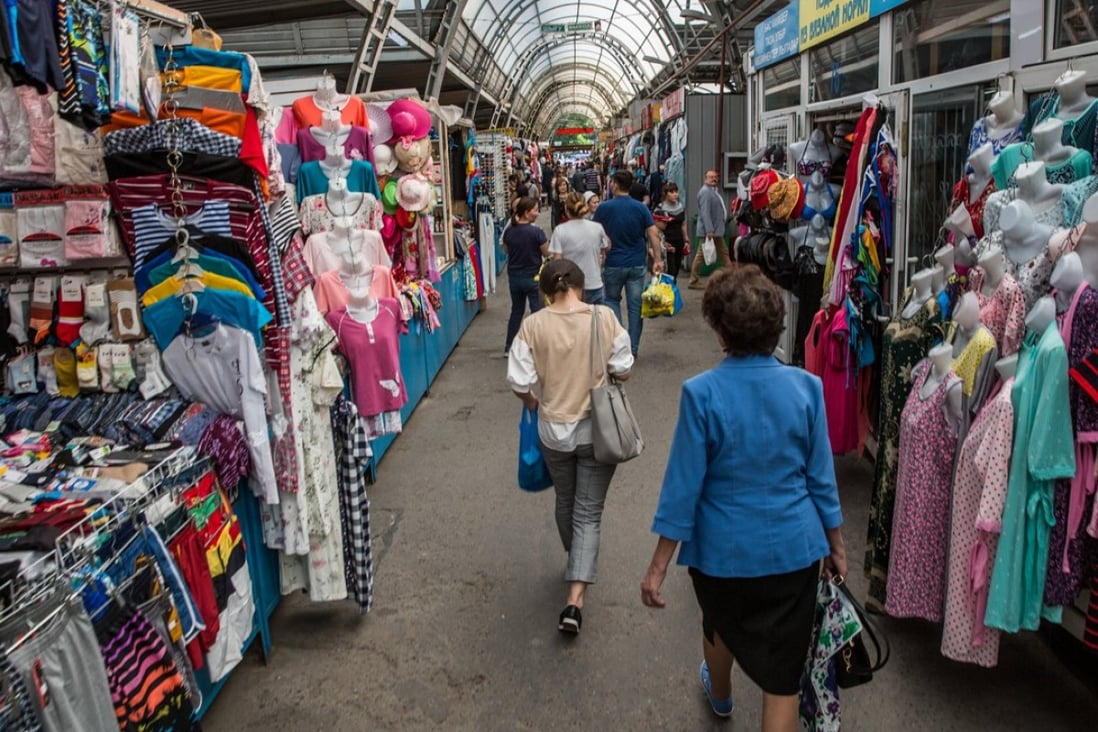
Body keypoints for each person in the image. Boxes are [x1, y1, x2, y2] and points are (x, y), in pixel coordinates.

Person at [640, 265, 846, 730]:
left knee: (720, 624)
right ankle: (729, 692)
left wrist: (657, 566)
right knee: (782, 680)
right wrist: (837, 544)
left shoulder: (701, 394)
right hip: (795, 552)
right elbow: (821, 479)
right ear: (777, 327)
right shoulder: (807, 389)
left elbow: (682, 487)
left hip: (721, 555)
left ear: (719, 330)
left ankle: (721, 693)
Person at [507, 258, 633, 635]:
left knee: (566, 499)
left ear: (547, 291)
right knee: (588, 513)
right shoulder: (604, 317)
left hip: (553, 431)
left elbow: (518, 381)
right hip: (598, 429)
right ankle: (574, 601)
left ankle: (575, 556)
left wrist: (534, 403)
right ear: (579, 285)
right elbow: (624, 368)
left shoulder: (532, 325)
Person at [592, 170, 664, 356]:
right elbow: (653, 234)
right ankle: (633, 348)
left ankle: (619, 343)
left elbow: (595, 234)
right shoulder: (641, 208)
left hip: (612, 263)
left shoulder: (603, 208)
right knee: (635, 306)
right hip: (636, 264)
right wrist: (657, 259)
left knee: (612, 300)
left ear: (615, 184)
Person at [502, 197, 548, 355]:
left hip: (514, 276)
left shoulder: (510, 231)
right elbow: (546, 252)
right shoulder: (537, 232)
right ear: (527, 213)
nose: (537, 213)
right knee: (538, 312)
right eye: (535, 210)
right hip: (534, 276)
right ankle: (539, 346)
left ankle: (510, 345)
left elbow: (506, 249)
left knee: (516, 311)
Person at [549, 193, 611, 304]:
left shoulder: (560, 230)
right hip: (594, 283)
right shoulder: (597, 227)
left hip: (571, 286)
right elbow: (607, 247)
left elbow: (557, 263)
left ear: (566, 208)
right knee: (594, 319)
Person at [688, 169, 733, 290]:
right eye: (710, 177)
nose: (713, 179)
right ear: (705, 178)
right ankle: (693, 280)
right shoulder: (705, 192)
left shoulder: (713, 191)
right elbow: (705, 213)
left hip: (716, 230)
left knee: (723, 253)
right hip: (710, 231)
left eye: (715, 177)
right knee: (701, 255)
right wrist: (709, 230)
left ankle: (733, 277)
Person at [654, 182, 688, 278]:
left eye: (676, 191)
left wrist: (686, 240)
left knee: (676, 268)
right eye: (671, 192)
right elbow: (656, 228)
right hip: (667, 242)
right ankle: (668, 289)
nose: (675, 194)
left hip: (679, 241)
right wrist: (662, 243)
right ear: (665, 194)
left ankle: (673, 286)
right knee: (670, 270)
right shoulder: (660, 209)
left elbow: (683, 224)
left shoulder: (680, 207)